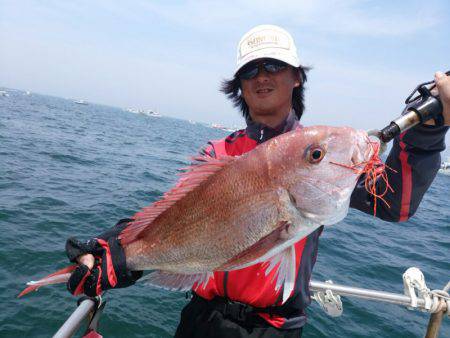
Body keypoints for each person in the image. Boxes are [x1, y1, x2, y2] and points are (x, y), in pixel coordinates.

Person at [65, 25, 450, 337]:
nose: (262, 76)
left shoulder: (324, 156)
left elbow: (395, 204)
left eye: (274, 66)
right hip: (201, 321)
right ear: (239, 84)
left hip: (277, 328)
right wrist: (114, 248)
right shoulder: (219, 152)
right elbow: (175, 216)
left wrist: (428, 131)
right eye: (250, 70)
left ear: (297, 78)